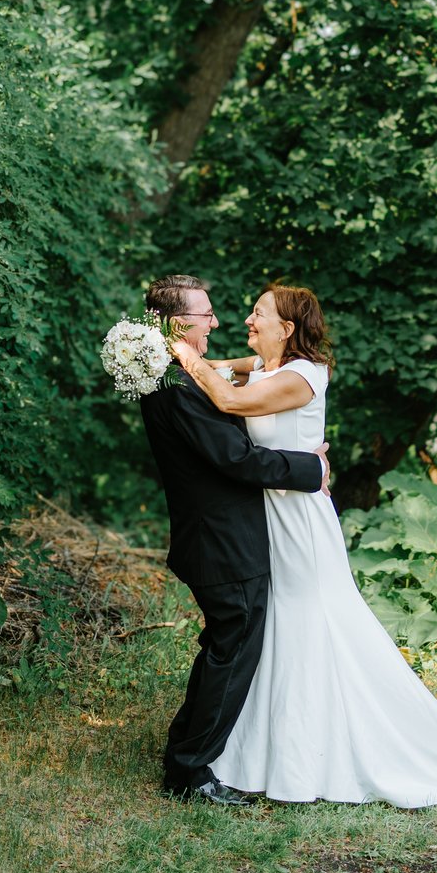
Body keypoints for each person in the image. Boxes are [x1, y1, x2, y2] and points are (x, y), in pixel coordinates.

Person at [169, 283, 437, 807]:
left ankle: (326, 743)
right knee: (280, 628)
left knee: (316, 622)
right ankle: (259, 745)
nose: (246, 319)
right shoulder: (264, 365)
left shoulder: (301, 376)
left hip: (299, 521)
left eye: (258, 314)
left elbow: (226, 397)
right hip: (268, 516)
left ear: (287, 329)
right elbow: (230, 366)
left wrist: (182, 355)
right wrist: (191, 350)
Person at [138, 274, 328, 805]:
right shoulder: (177, 385)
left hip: (223, 534)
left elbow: (248, 377)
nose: (218, 323)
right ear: (179, 324)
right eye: (207, 315)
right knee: (232, 646)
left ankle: (191, 754)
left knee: (225, 646)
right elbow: (236, 460)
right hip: (224, 538)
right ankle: (190, 771)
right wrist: (311, 469)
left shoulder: (171, 375)